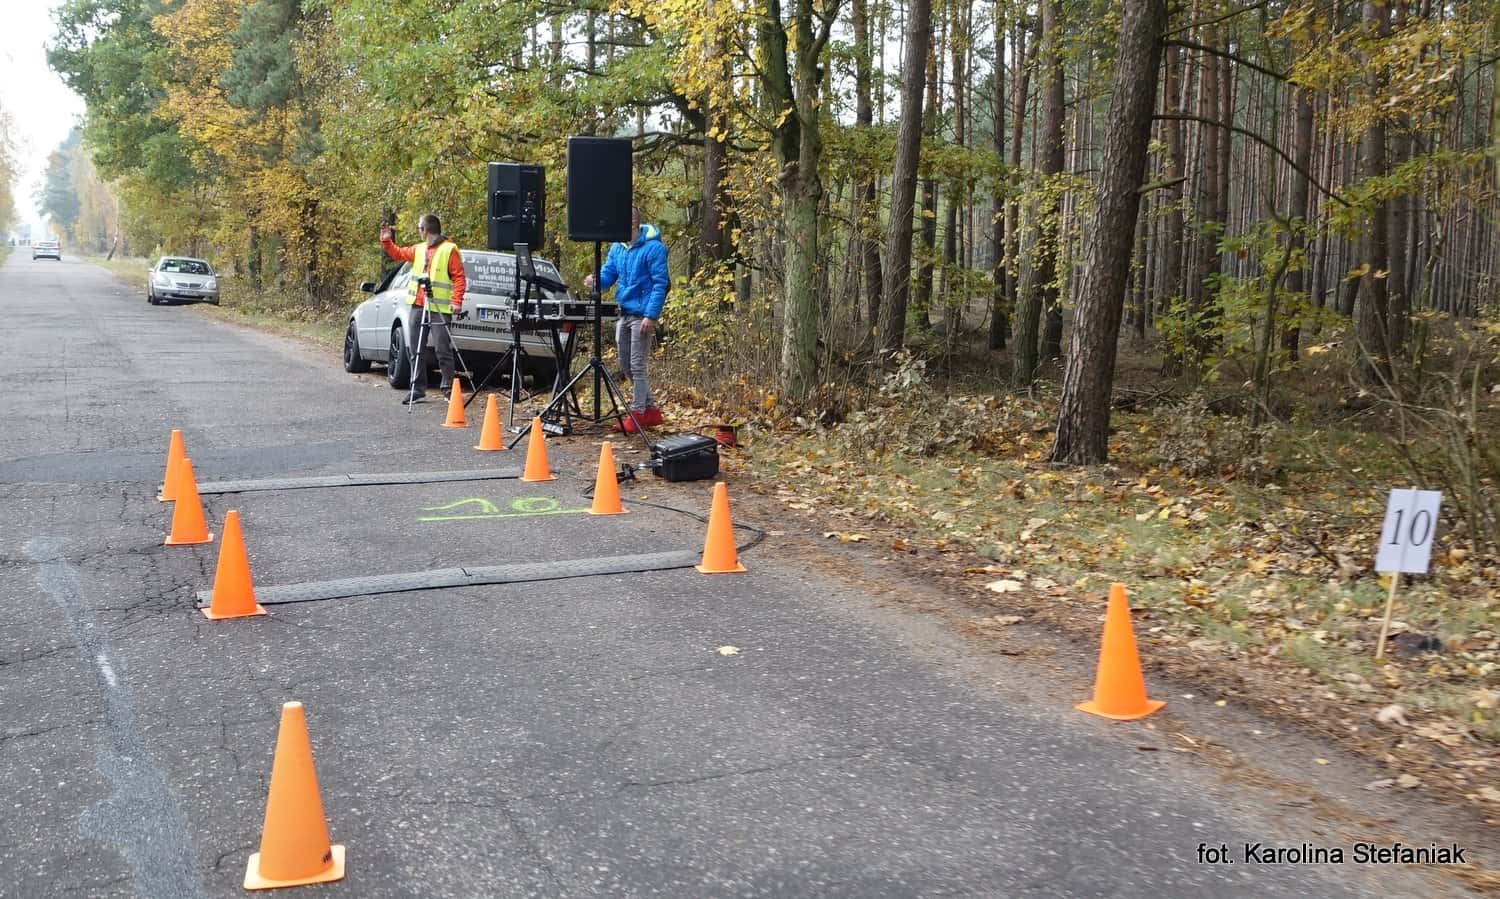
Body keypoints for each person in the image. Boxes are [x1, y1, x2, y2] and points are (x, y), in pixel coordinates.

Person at [584, 207, 670, 433]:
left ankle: (638, 413)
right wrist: (596, 280)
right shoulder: (617, 247)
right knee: (625, 365)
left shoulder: (654, 248)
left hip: (642, 314)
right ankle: (651, 411)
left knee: (637, 365)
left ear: (633, 223)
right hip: (623, 311)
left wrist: (651, 315)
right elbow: (608, 274)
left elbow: (660, 284)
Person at [380, 214, 467, 404]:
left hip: (439, 308)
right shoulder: (419, 249)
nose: (419, 231)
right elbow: (398, 254)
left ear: (425, 230)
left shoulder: (449, 249)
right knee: (415, 348)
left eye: (419, 228)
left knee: (442, 349)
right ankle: (417, 388)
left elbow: (459, 277)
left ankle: (448, 389)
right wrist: (387, 241)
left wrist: (456, 301)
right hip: (418, 305)